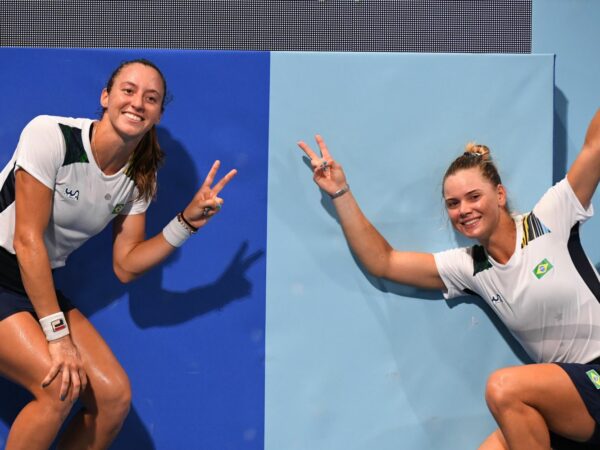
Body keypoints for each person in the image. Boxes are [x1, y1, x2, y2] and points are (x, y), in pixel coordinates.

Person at [297, 108, 600, 450]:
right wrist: (340, 191)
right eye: (453, 203)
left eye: (474, 197)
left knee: (504, 388)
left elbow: (595, 146)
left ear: (499, 195)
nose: (464, 210)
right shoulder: (472, 266)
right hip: (570, 398)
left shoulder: (547, 219)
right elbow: (385, 262)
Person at [0, 58, 237, 449]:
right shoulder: (51, 134)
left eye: (151, 98)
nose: (138, 103)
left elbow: (126, 266)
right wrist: (58, 338)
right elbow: (27, 241)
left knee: (113, 397)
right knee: (59, 386)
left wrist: (187, 223)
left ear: (158, 113)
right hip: (14, 265)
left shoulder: (138, 176)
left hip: (32, 282)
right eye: (128, 91)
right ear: (106, 97)